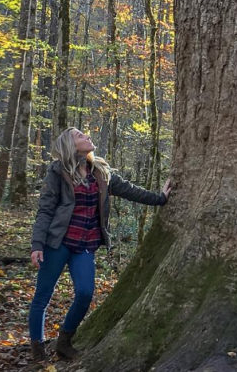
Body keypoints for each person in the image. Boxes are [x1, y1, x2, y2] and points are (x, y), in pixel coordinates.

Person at [28, 127, 171, 361]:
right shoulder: (57, 172)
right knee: (42, 296)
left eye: (86, 134)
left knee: (85, 293)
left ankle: (64, 342)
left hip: (86, 243)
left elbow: (130, 190)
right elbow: (45, 210)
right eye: (80, 136)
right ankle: (37, 349)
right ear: (70, 145)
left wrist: (160, 199)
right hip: (58, 243)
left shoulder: (100, 172)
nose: (87, 137)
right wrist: (37, 244)